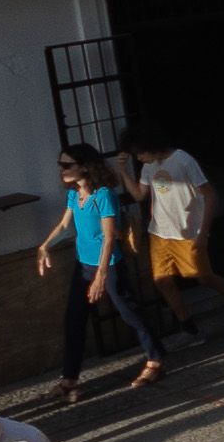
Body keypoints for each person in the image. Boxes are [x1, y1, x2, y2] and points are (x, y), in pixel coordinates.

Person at [40, 143, 165, 400]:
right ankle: (70, 379)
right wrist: (44, 246)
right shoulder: (75, 194)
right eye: (60, 165)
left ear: (85, 166)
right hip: (83, 264)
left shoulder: (104, 195)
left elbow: (109, 238)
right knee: (73, 319)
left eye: (67, 165)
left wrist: (100, 276)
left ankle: (156, 357)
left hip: (107, 265)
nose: (61, 170)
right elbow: (65, 224)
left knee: (129, 312)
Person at [117, 121, 224, 333]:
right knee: (162, 280)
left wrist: (202, 233)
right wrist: (123, 172)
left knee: (204, 277)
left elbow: (209, 195)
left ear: (149, 145)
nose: (138, 158)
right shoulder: (148, 166)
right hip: (159, 232)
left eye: (139, 152)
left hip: (188, 231)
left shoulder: (183, 160)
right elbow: (139, 195)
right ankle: (188, 326)